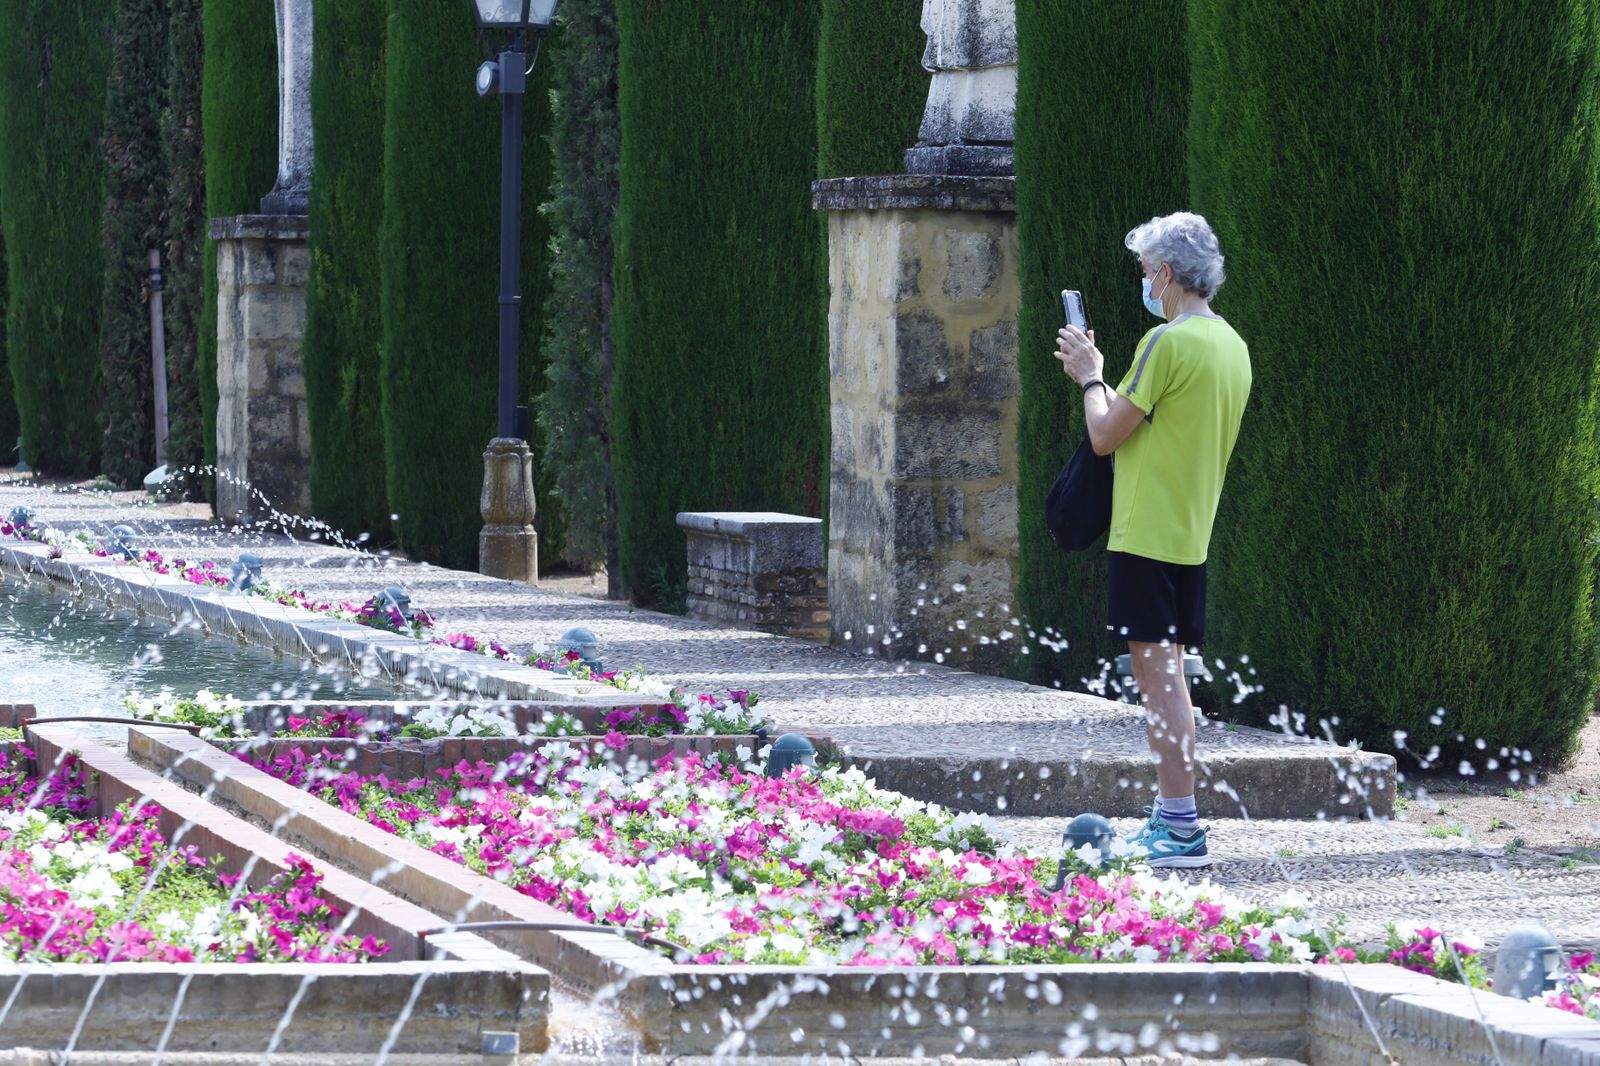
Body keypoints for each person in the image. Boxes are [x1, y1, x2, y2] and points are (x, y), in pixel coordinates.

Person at [1053, 211, 1252, 868]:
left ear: (1166, 273)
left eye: (1145, 271)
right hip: (1189, 532)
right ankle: (1175, 816)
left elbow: (1105, 434)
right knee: (1169, 678)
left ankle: (1181, 826)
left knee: (1160, 681)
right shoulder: (1231, 345)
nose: (1144, 281)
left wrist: (1088, 374)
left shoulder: (1166, 344)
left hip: (1146, 533)